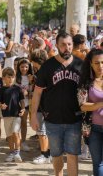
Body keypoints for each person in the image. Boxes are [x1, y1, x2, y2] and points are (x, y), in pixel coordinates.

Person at [31, 32, 83, 176]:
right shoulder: (48, 66)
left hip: (74, 118)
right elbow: (37, 93)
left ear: (73, 45)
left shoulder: (80, 64)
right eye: (63, 45)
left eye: (69, 44)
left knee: (73, 156)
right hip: (53, 119)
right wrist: (33, 115)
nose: (67, 48)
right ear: (57, 46)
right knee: (56, 155)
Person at [78, 49, 103, 176]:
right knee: (98, 163)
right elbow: (82, 106)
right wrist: (100, 104)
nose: (101, 66)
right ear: (91, 64)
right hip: (93, 129)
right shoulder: (86, 82)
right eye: (97, 63)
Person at [0, 67, 25, 162]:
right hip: (6, 115)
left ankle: (17, 152)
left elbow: (22, 101)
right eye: (8, 77)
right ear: (4, 78)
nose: (10, 79)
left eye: (12, 77)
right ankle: (11, 152)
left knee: (15, 132)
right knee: (9, 135)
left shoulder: (18, 89)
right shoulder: (2, 90)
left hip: (16, 115)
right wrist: (2, 105)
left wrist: (23, 108)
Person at [15, 58, 34, 152]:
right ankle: (16, 141)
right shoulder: (15, 77)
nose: (24, 69)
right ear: (18, 67)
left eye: (26, 67)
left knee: (23, 123)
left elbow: (32, 91)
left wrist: (30, 85)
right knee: (16, 123)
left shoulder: (31, 77)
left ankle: (23, 141)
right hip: (16, 103)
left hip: (26, 103)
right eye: (22, 67)